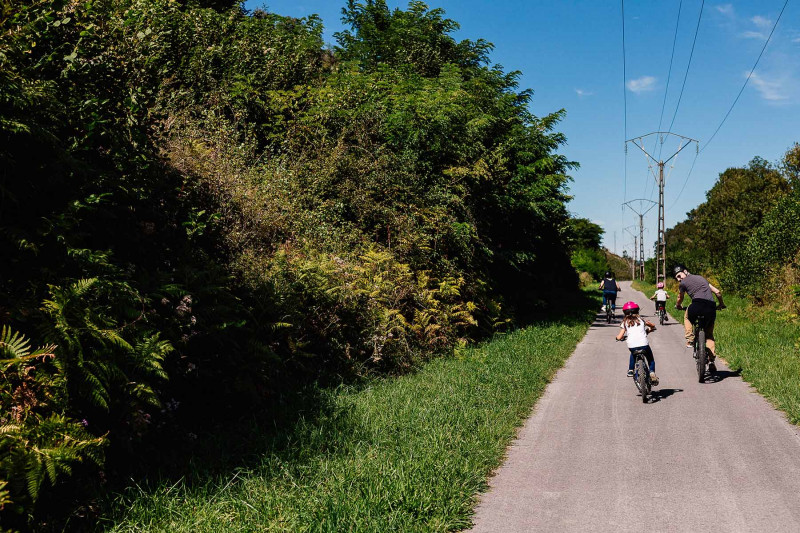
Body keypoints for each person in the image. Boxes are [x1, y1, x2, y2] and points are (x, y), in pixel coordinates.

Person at [673, 264, 726, 372]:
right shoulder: (702, 278)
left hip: (697, 305)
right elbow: (717, 292)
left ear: (686, 271)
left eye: (679, 275)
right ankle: (711, 360)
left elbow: (680, 297)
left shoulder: (683, 283)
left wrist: (678, 305)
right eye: (677, 278)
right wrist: (721, 304)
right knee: (709, 335)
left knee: (687, 317)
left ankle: (690, 338)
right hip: (711, 308)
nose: (679, 279)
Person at [615, 301, 658, 385]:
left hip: (632, 345)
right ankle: (652, 372)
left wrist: (617, 338)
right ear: (637, 311)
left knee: (633, 353)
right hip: (644, 344)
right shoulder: (641, 320)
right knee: (651, 360)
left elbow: (619, 337)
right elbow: (651, 327)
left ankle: (631, 370)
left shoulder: (624, 323)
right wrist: (651, 326)